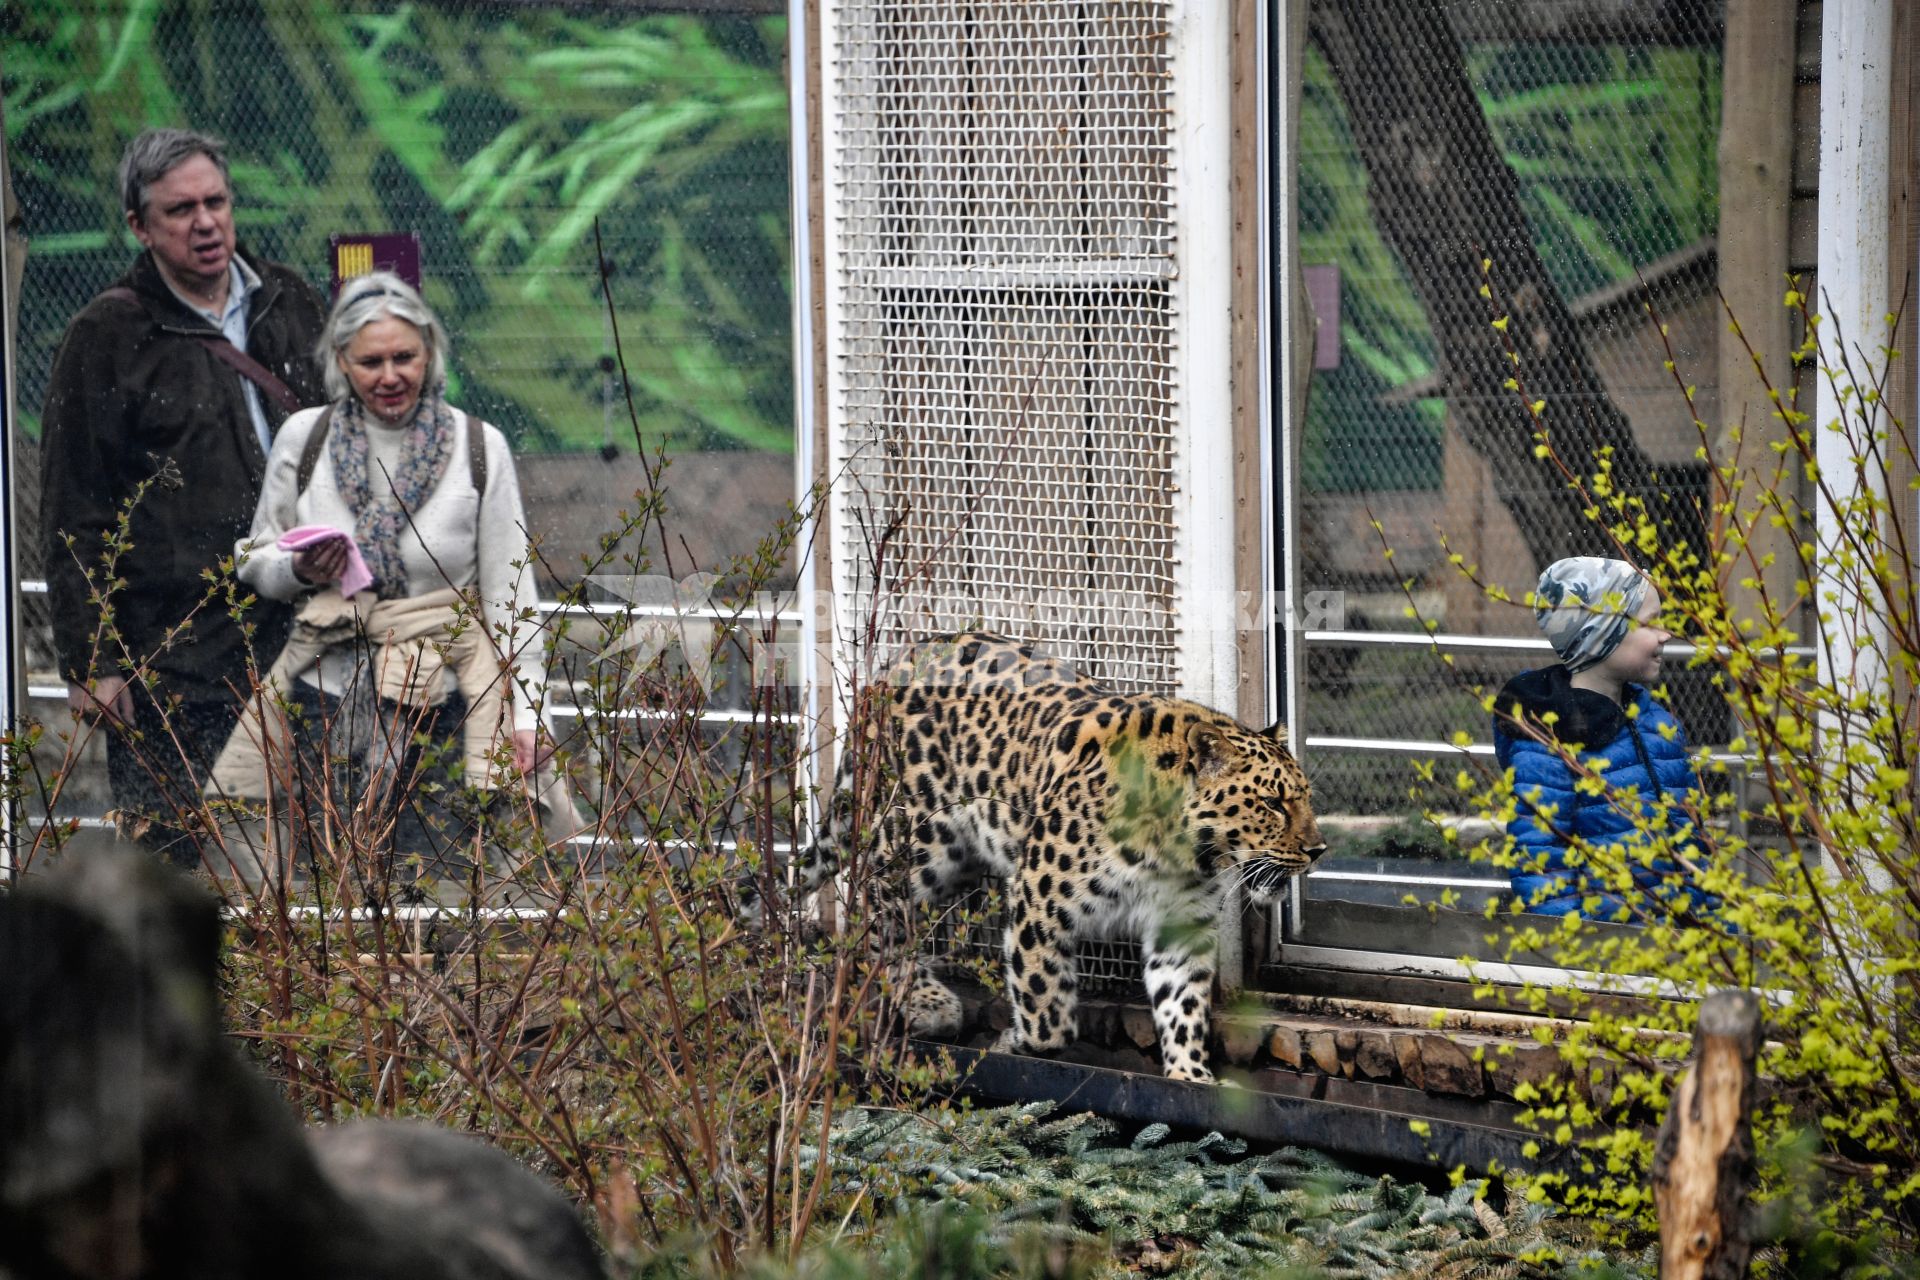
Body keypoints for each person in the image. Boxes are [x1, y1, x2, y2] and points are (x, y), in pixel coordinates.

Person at [40, 128, 327, 865]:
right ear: (140, 226)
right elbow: (77, 509)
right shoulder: (105, 335)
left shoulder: (290, 301)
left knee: (323, 850)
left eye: (216, 201)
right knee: (167, 861)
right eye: (180, 210)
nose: (205, 222)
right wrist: (94, 660)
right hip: (174, 647)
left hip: (307, 629)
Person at [228, 272, 550, 887]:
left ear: (429, 353)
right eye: (370, 361)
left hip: (446, 695)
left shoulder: (479, 446)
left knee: (437, 884)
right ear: (341, 363)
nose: (389, 375)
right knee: (330, 885)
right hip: (326, 696)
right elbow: (255, 560)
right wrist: (296, 568)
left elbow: (512, 594)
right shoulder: (306, 438)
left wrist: (531, 709)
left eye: (404, 356)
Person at [1491, 556, 1717, 921]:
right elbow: (1544, 868)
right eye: (1650, 623)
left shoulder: (1658, 725)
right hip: (1606, 955)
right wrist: (1581, 960)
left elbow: (1694, 847)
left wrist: (1714, 930)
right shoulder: (1548, 746)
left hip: (1679, 948)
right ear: (1601, 635)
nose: (1666, 634)